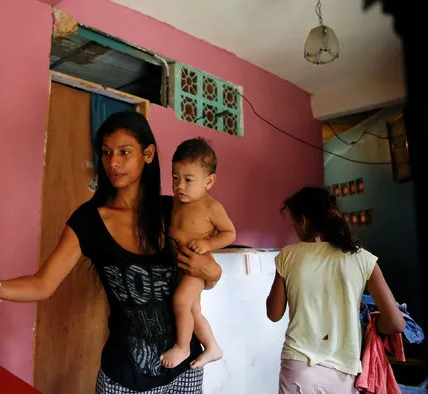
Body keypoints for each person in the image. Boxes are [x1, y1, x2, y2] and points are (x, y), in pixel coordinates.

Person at [0, 111, 223, 393]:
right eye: (106, 152)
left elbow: (202, 271)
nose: (113, 162)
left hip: (185, 370)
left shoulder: (173, 210)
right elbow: (42, 284)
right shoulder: (88, 221)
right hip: (124, 377)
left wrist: (214, 273)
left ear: (148, 154)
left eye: (125, 152)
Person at [266, 186, 406, 394]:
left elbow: (274, 314)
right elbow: (396, 323)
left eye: (293, 222)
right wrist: (373, 327)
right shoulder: (363, 259)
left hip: (298, 366)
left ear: (303, 221)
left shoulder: (288, 256)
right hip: (344, 372)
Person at [159, 138, 236, 370]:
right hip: (179, 264)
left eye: (188, 180)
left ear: (209, 181)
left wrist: (208, 243)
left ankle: (183, 347)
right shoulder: (175, 202)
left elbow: (229, 233)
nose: (179, 185)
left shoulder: (212, 207)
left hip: (197, 265)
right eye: (175, 178)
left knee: (181, 301)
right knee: (193, 309)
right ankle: (212, 346)